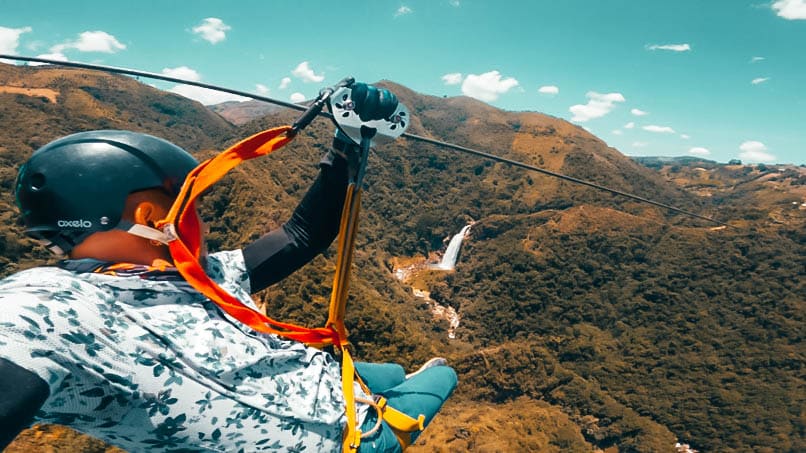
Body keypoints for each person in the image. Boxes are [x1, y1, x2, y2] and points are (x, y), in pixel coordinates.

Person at [0, 83, 457, 452]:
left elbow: (302, 235)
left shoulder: (194, 273)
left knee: (395, 370)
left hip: (316, 375)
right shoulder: (48, 311)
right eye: (189, 203)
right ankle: (392, 399)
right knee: (444, 374)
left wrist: (348, 145)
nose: (200, 217)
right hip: (352, 437)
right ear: (149, 218)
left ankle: (386, 383)